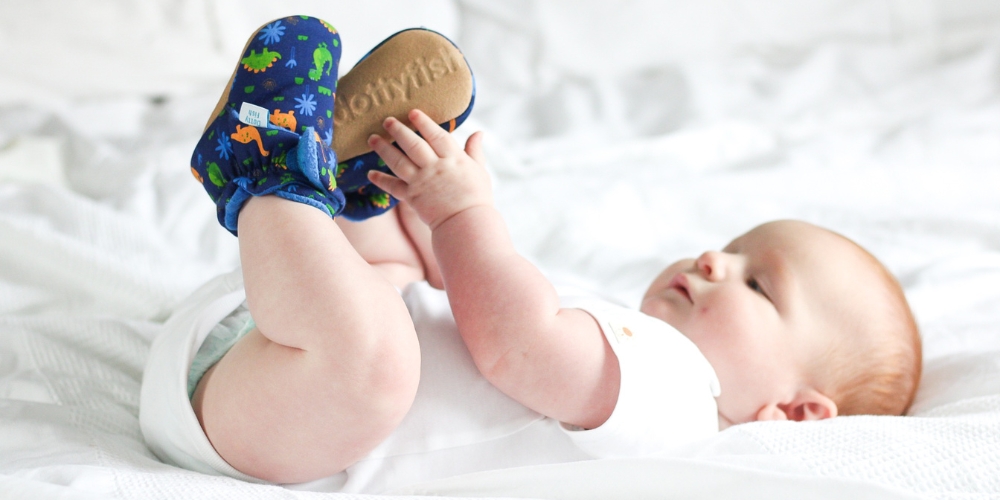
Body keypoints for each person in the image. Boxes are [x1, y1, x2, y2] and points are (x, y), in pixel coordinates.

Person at [140, 15, 922, 494]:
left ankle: (267, 172)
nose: (714, 259)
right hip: (280, 374)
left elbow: (513, 344)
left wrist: (467, 212)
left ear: (794, 411)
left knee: (381, 361)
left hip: (275, 430)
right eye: (731, 247)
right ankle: (362, 191)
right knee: (408, 283)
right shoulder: (629, 342)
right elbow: (468, 301)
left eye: (759, 285)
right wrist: (431, 212)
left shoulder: (680, 403)